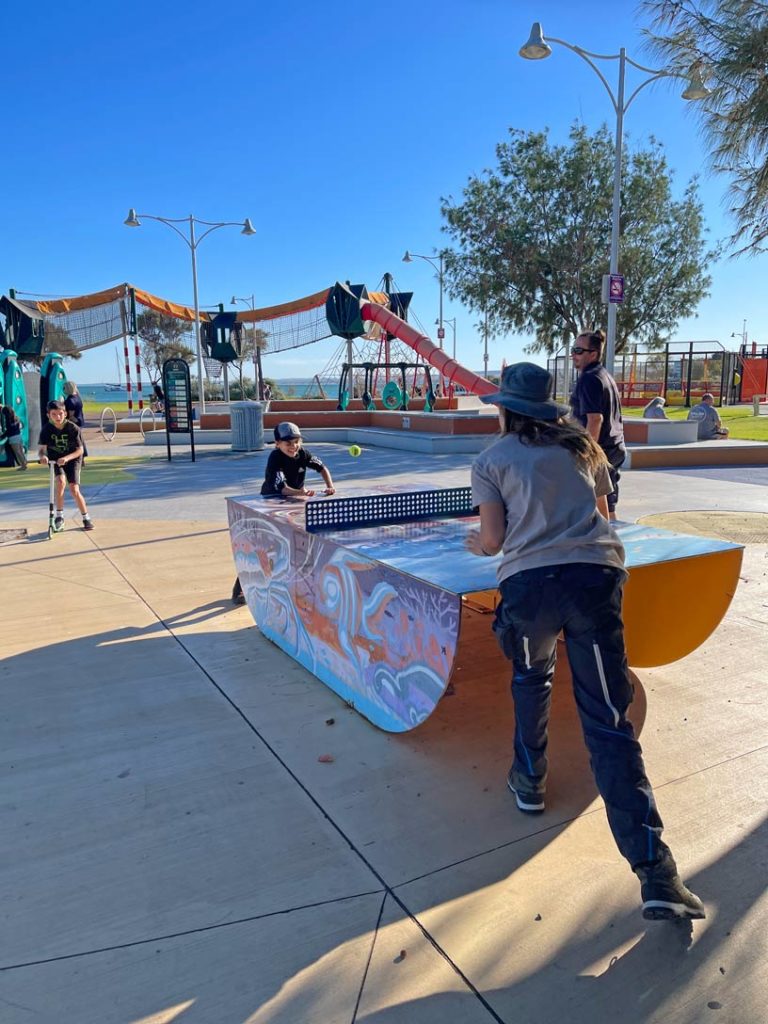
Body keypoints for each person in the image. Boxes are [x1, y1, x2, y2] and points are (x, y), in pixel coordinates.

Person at [466, 362, 705, 922]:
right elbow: (603, 518)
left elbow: (495, 539)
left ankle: (529, 782)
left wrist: (476, 543)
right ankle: (657, 874)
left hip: (530, 592)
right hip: (595, 582)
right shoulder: (582, 450)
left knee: (531, 675)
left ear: (504, 408)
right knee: (608, 723)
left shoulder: (491, 460)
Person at [231, 422, 336, 605]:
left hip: (293, 502)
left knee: (298, 539)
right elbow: (283, 488)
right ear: (277, 444)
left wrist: (330, 486)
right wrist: (301, 493)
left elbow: (322, 468)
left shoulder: (303, 454)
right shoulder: (275, 458)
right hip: (272, 501)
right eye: (288, 443)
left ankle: (298, 582)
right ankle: (240, 586)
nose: (293, 446)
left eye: (296, 442)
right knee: (265, 545)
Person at [569, 329, 625, 520]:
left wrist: (587, 454)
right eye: (573, 349)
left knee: (596, 508)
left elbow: (595, 419)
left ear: (593, 354)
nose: (573, 355)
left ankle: (605, 544)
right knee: (608, 506)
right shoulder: (604, 375)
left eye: (578, 350)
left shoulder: (589, 378)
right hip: (614, 448)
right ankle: (613, 543)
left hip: (600, 451)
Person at [38, 399, 94, 531]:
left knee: (74, 489)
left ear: (65, 413)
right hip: (55, 460)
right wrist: (43, 457)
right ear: (48, 415)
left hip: (73, 459)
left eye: (60, 413)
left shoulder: (72, 428)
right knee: (60, 482)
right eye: (54, 414)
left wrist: (66, 458)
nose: (58, 417)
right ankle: (59, 516)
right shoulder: (46, 429)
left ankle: (86, 517)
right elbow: (41, 450)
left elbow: (80, 450)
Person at [64, 381, 88, 458]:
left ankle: (79, 456)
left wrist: (66, 424)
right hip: (80, 421)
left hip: (74, 423)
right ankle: (83, 455)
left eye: (64, 388)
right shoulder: (78, 397)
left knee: (75, 441)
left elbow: (71, 416)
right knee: (79, 439)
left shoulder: (70, 401)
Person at [1, 403, 27, 469]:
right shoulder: (16, 418)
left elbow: (9, 430)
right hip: (18, 436)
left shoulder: (8, 420)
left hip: (13, 438)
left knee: (17, 452)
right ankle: (24, 463)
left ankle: (23, 466)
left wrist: (2, 436)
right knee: (20, 451)